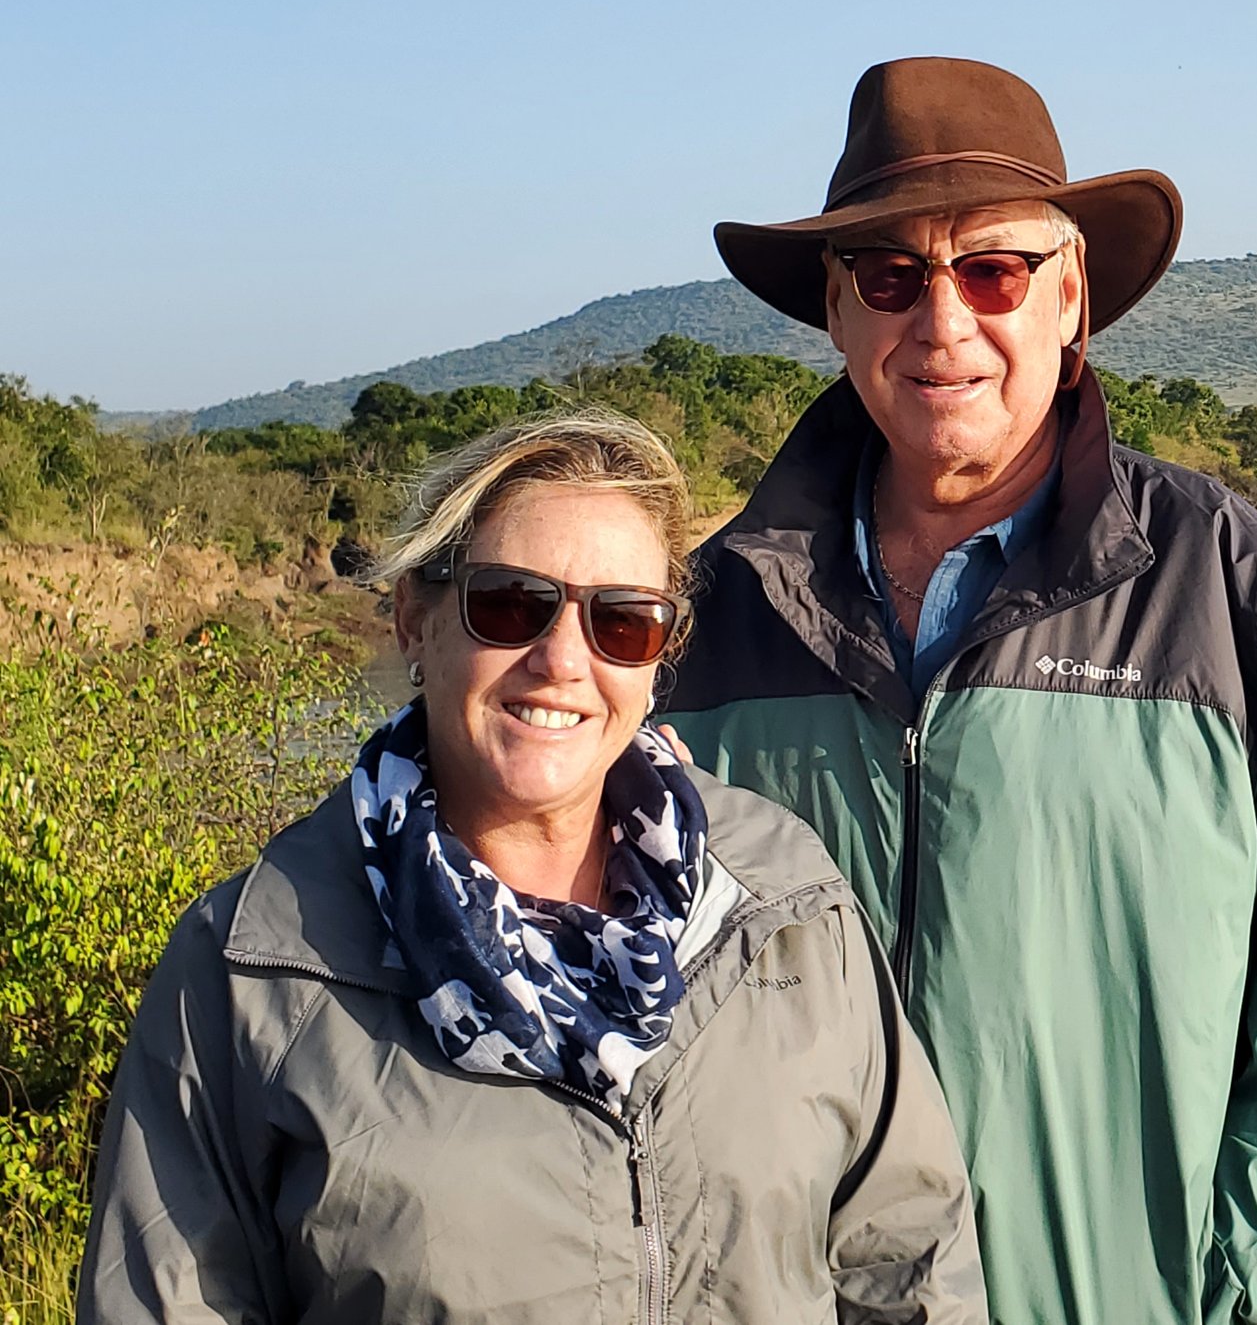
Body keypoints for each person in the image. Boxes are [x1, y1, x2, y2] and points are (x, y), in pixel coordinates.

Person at [666, 56, 1257, 1325]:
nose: (944, 322)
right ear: (837, 314)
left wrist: (1228, 1279)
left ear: (1069, 296)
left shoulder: (1225, 589)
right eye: (893, 277)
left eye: (993, 271)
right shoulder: (699, 625)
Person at [80, 411, 986, 1325]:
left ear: (659, 656)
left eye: (622, 621)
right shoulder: (256, 969)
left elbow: (908, 1255)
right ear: (415, 622)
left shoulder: (781, 906)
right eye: (513, 604)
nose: (561, 660)